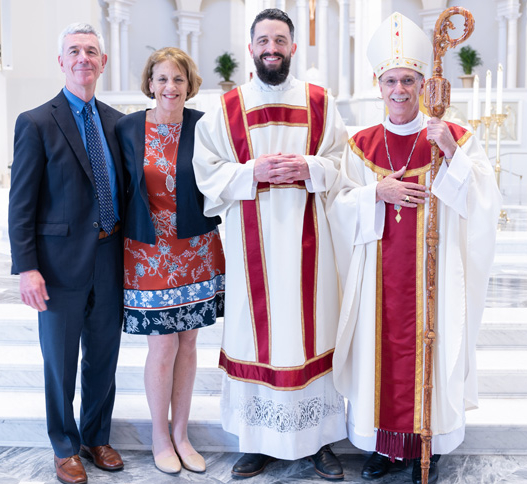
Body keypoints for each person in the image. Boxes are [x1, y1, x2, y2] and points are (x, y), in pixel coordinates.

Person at [327, 12, 501, 484]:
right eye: (390, 81)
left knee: (436, 344)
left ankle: (430, 440)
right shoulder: (360, 144)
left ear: (424, 84)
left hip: (436, 279)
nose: (399, 90)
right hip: (378, 280)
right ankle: (382, 446)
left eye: (408, 80)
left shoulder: (453, 135)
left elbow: (486, 202)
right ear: (378, 84)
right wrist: (373, 195)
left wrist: (452, 156)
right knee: (378, 352)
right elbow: (338, 208)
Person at [192, 8, 349, 481]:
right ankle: (257, 441)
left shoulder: (321, 102)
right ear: (251, 47)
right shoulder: (228, 107)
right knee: (254, 336)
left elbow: (343, 164)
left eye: (280, 40)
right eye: (263, 40)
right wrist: (250, 173)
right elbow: (207, 171)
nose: (271, 48)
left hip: (311, 247)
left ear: (293, 47)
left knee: (312, 331)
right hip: (250, 248)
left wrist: (311, 168)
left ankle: (317, 440)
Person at [8, 22, 125, 484]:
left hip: (110, 257)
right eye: (74, 51)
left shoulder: (117, 123)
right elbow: (21, 203)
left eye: (91, 51)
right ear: (61, 61)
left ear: (103, 62)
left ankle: (97, 436)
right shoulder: (36, 122)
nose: (83, 58)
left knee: (104, 355)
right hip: (57, 266)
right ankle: (64, 445)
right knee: (59, 361)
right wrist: (27, 268)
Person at [115, 47, 225, 475]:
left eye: (177, 79)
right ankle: (160, 436)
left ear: (189, 84)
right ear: (150, 83)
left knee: (190, 342)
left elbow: (221, 177)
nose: (169, 87)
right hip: (148, 253)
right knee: (162, 345)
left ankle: (182, 433)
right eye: (161, 78)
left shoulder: (204, 125)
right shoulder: (127, 128)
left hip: (196, 250)